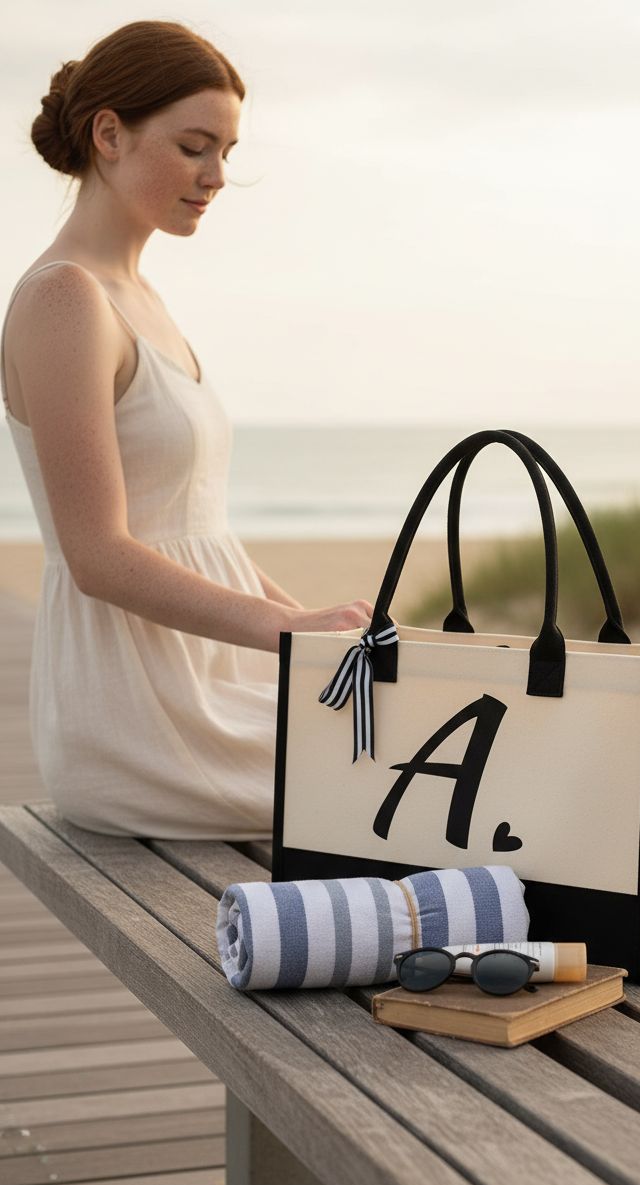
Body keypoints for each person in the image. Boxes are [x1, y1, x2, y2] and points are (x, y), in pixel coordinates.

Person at [1, 20, 373, 840]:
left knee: (451, 746)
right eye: (196, 146)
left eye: (227, 153)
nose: (216, 177)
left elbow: (195, 531)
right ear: (109, 134)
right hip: (139, 712)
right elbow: (98, 554)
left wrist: (318, 628)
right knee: (432, 782)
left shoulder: (140, 298)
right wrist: (286, 633)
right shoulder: (64, 300)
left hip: (215, 674)